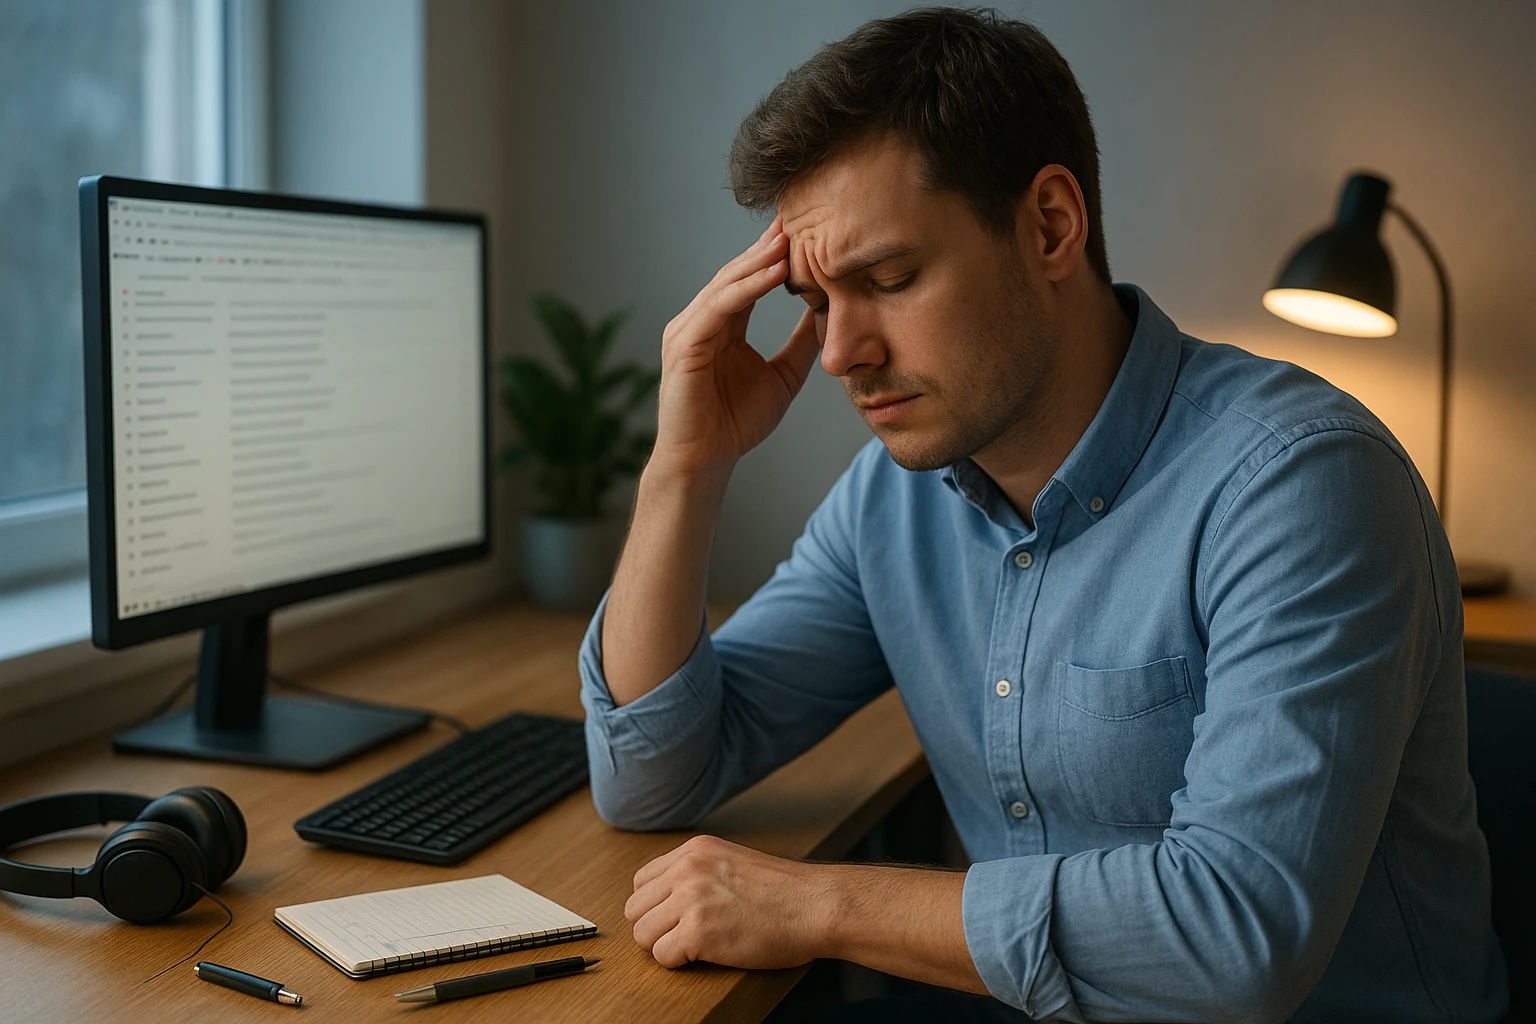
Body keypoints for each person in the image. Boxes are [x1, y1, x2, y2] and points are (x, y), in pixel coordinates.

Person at [577, 8, 1507, 1021]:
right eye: (815, 302)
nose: (841, 352)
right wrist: (684, 466)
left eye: (887, 280)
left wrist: (818, 902)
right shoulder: (893, 496)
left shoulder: (1301, 484)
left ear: (1052, 225)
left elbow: (1238, 936)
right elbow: (650, 779)